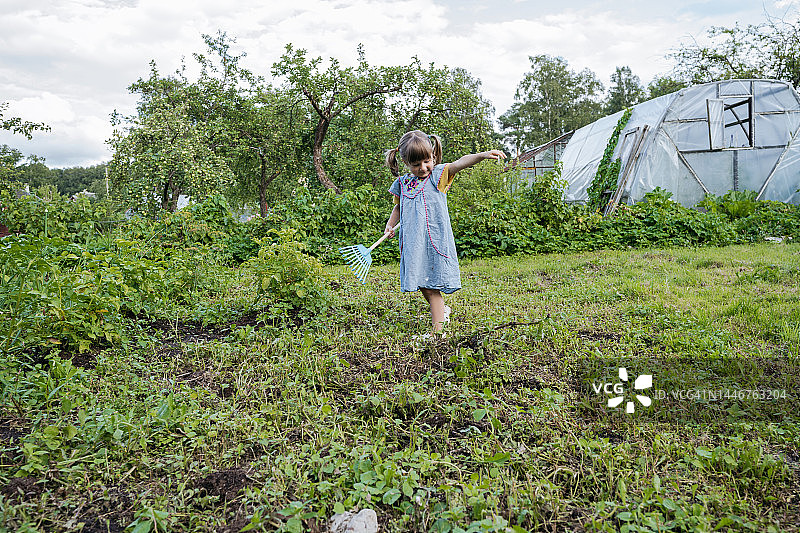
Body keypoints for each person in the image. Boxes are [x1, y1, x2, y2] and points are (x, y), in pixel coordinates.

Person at [383, 130, 505, 337]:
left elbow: (461, 162)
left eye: (426, 161)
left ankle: (438, 333)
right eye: (416, 165)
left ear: (433, 156)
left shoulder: (438, 176)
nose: (423, 168)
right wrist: (389, 225)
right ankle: (441, 312)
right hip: (413, 243)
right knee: (421, 282)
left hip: (434, 241)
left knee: (432, 286)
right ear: (405, 162)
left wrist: (482, 155)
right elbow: (398, 208)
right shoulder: (402, 184)